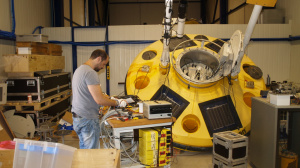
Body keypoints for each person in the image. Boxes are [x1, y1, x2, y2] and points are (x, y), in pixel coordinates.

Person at [71, 49, 126, 149]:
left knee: (84, 151)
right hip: (87, 119)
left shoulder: (79, 70)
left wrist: (108, 98)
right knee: (91, 154)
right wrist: (117, 103)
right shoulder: (90, 73)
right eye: (103, 64)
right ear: (99, 59)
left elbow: (91, 94)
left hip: (78, 118)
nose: (103, 67)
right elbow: (99, 100)